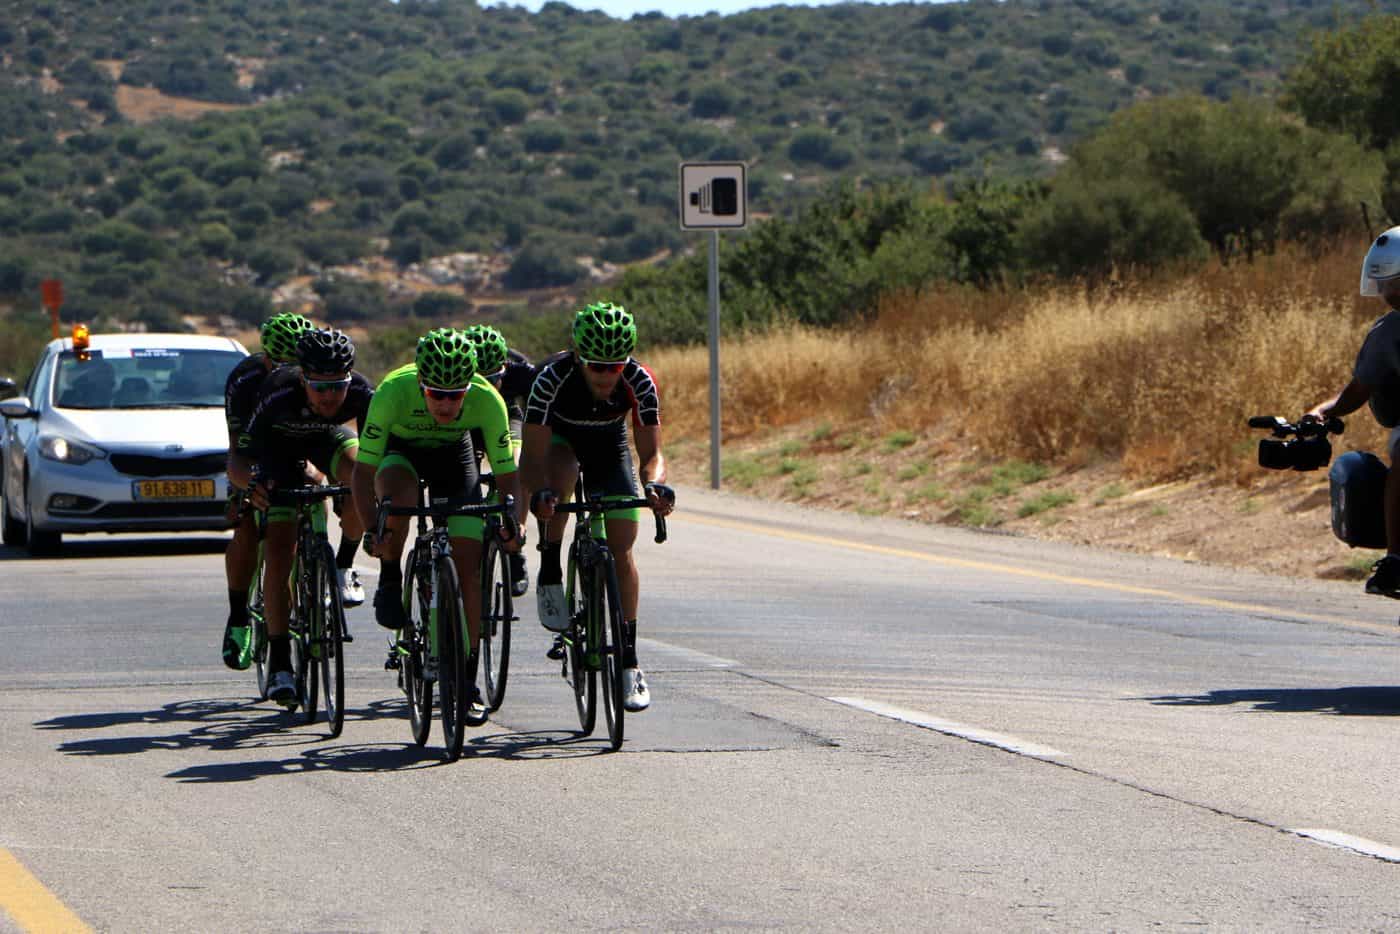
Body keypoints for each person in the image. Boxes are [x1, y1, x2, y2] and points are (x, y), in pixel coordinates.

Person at [352, 328, 526, 724]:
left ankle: (467, 679)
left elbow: (507, 474)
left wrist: (513, 521)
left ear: (469, 388)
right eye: (436, 394)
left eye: (455, 395)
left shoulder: (487, 398)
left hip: (453, 457)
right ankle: (392, 575)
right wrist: (372, 529)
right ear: (420, 384)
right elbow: (362, 474)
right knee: (397, 502)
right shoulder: (392, 392)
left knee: (469, 567)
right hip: (401, 453)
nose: (446, 404)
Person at [520, 301, 675, 713]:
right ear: (577, 357)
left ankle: (630, 663)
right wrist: (539, 495)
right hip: (559, 441)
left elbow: (652, 453)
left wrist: (654, 485)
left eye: (615, 366)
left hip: (609, 445)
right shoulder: (550, 379)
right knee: (559, 481)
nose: (607, 375)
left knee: (622, 547)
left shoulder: (639, 380)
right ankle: (550, 566)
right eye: (596, 366)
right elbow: (531, 458)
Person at [228, 328, 374, 704]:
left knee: (361, 475)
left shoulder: (362, 392)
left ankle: (343, 565)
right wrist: (252, 485)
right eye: (319, 387)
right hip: (277, 452)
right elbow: (241, 458)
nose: (330, 396)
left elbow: (378, 455)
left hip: (326, 440)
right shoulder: (277, 391)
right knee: (279, 553)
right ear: (303, 378)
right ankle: (280, 663)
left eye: (337, 386)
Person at [1309, 225, 1400, 597]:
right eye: (1387, 284)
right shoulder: (1389, 333)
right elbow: (1358, 389)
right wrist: (1321, 412)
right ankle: (1396, 560)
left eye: (1395, 283)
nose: (1389, 293)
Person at [220, 312, 313, 671]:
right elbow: (237, 453)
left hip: (298, 444)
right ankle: (238, 614)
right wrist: (248, 485)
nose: (287, 372)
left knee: (316, 492)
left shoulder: (314, 378)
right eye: (281, 364)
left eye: (296, 365)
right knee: (245, 523)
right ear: (266, 358)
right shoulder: (245, 379)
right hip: (255, 449)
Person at [462, 323, 536, 597]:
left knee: (517, 469)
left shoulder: (521, 370)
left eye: (493, 378)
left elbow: (537, 414)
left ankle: (515, 547)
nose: (485, 386)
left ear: (504, 366)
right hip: (466, 420)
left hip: (506, 417)